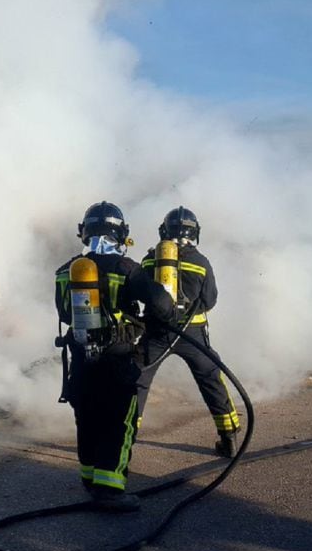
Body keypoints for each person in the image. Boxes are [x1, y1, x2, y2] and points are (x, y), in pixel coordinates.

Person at [55, 201, 175, 513]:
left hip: (81, 360)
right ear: (121, 234)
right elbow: (162, 307)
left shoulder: (65, 272)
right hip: (118, 361)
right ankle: (110, 488)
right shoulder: (128, 270)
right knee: (120, 423)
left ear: (84, 233)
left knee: (87, 418)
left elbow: (64, 313)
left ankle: (90, 478)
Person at [136, 206, 241, 457]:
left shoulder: (150, 259)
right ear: (194, 233)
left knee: (136, 382)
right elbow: (210, 300)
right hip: (192, 335)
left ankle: (123, 440)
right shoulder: (201, 262)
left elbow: (140, 293)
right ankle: (229, 438)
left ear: (164, 230)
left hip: (157, 333)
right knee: (211, 379)